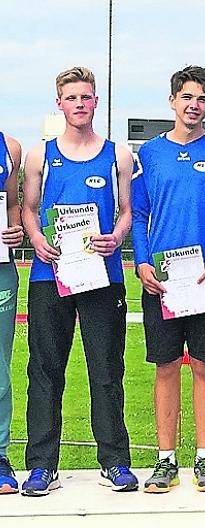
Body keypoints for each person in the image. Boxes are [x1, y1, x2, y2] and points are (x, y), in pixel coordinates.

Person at [20, 66, 137, 495]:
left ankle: (115, 461)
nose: (80, 104)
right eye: (72, 98)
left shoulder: (117, 155)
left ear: (96, 102)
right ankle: (41, 466)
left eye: (86, 97)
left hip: (102, 277)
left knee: (106, 369)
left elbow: (127, 211)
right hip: (50, 276)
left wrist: (117, 236)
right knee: (45, 371)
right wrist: (35, 239)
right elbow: (30, 208)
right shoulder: (40, 156)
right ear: (60, 103)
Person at [132, 66, 205, 493]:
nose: (194, 105)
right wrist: (140, 263)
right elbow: (136, 214)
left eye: (202, 99)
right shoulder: (149, 154)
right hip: (164, 280)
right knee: (166, 367)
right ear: (172, 100)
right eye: (187, 97)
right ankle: (166, 459)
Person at [0, 131, 24, 495]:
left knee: (0, 366)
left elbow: (14, 203)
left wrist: (15, 229)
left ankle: (0, 455)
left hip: (0, 268)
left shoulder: (10, 147)